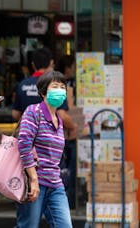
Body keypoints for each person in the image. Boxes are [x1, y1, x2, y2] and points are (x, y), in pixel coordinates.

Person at [15, 71, 72, 228]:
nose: (60, 90)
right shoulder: (33, 112)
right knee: (28, 226)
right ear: (43, 92)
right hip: (34, 183)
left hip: (55, 184)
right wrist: (33, 179)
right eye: (55, 86)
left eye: (62, 87)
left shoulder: (59, 121)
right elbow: (24, 144)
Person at [55, 54, 78, 209]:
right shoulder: (63, 85)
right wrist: (74, 127)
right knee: (66, 171)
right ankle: (67, 203)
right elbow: (63, 114)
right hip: (65, 134)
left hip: (61, 135)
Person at [12, 47, 54, 121]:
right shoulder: (55, 85)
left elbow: (15, 114)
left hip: (28, 130)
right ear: (51, 63)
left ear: (33, 65)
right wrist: (73, 127)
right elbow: (62, 115)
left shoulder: (22, 85)